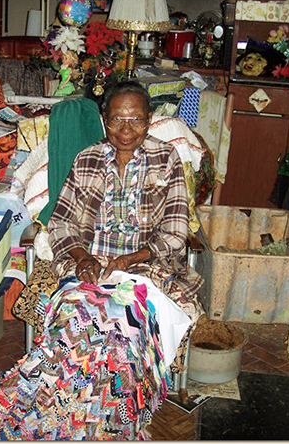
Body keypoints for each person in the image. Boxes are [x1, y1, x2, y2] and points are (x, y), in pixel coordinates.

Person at [47, 81, 204, 370]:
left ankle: (128, 386)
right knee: (79, 314)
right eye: (117, 119)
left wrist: (129, 259)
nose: (126, 129)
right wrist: (82, 258)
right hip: (90, 263)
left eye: (136, 120)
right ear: (104, 120)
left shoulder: (166, 159)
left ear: (149, 121)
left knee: (133, 315)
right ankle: (81, 385)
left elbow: (175, 231)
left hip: (145, 264)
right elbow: (60, 223)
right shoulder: (87, 160)